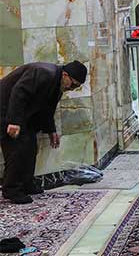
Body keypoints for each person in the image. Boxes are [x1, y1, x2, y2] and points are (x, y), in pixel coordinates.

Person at [0, 61, 86, 204]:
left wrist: (51, 131)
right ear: (65, 75)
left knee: (30, 147)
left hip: (22, 114)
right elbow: (19, 93)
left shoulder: (58, 84)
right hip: (5, 110)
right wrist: (14, 121)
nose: (71, 89)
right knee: (16, 150)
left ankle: (26, 184)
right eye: (73, 85)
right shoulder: (43, 72)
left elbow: (48, 109)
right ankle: (11, 190)